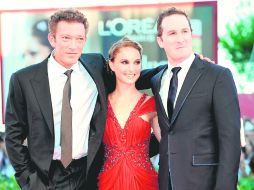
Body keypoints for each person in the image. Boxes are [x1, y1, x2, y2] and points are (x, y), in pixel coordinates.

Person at [4, 8, 161, 190]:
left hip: (89, 174)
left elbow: (130, 75)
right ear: (52, 39)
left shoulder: (95, 66)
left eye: (79, 39)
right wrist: (30, 181)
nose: (74, 46)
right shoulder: (23, 79)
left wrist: (177, 67)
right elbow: (14, 137)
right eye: (66, 38)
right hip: (45, 176)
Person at [150, 7, 241, 190]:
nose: (181, 38)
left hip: (204, 182)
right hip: (167, 182)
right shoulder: (157, 80)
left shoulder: (218, 75)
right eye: (172, 33)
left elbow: (230, 140)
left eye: (185, 31)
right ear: (160, 40)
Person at [98, 37, 161, 190]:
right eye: (124, 62)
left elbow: (169, 144)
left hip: (144, 182)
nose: (132, 69)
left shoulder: (151, 104)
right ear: (111, 64)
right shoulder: (100, 104)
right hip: (107, 181)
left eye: (137, 62)